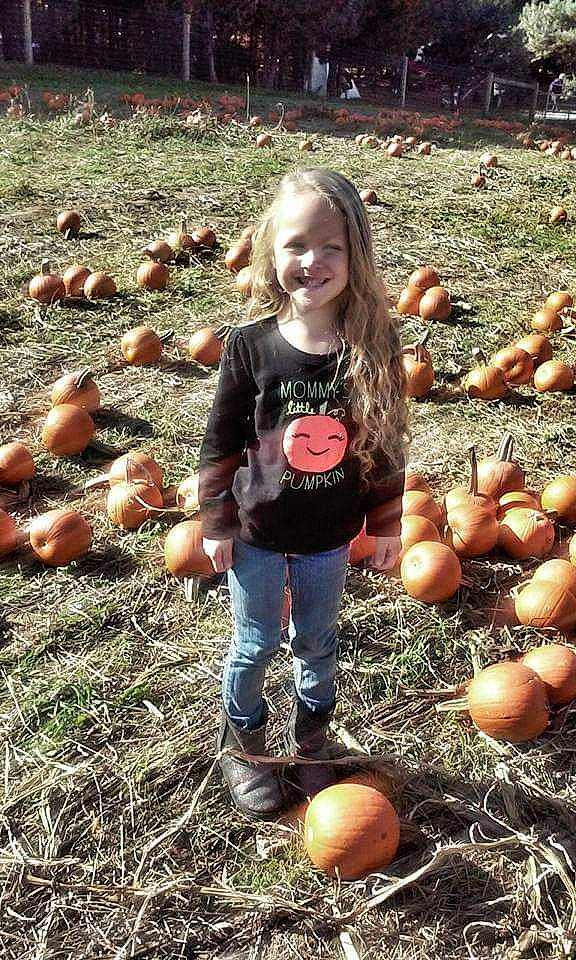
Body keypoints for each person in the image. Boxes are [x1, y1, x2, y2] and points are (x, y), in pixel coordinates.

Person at [198, 168, 409, 820]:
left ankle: (309, 743)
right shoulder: (250, 347)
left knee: (317, 645)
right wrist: (216, 521)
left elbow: (386, 448)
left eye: (331, 247)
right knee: (255, 645)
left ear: (356, 256)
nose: (312, 261)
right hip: (258, 536)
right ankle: (247, 748)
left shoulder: (373, 349)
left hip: (327, 542)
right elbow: (222, 441)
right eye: (295, 244)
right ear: (270, 251)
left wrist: (390, 526)